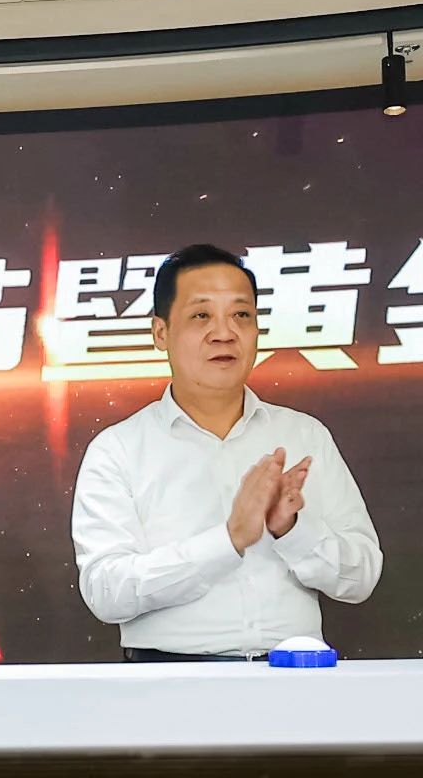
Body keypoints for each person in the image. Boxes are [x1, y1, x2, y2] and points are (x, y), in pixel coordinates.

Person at [72, 244, 381, 660]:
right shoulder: (118, 450)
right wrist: (228, 539)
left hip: (294, 675)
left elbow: (363, 577)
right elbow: (106, 591)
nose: (224, 333)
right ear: (160, 333)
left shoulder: (304, 435)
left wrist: (292, 531)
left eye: (241, 315)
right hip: (167, 679)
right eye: (201, 315)